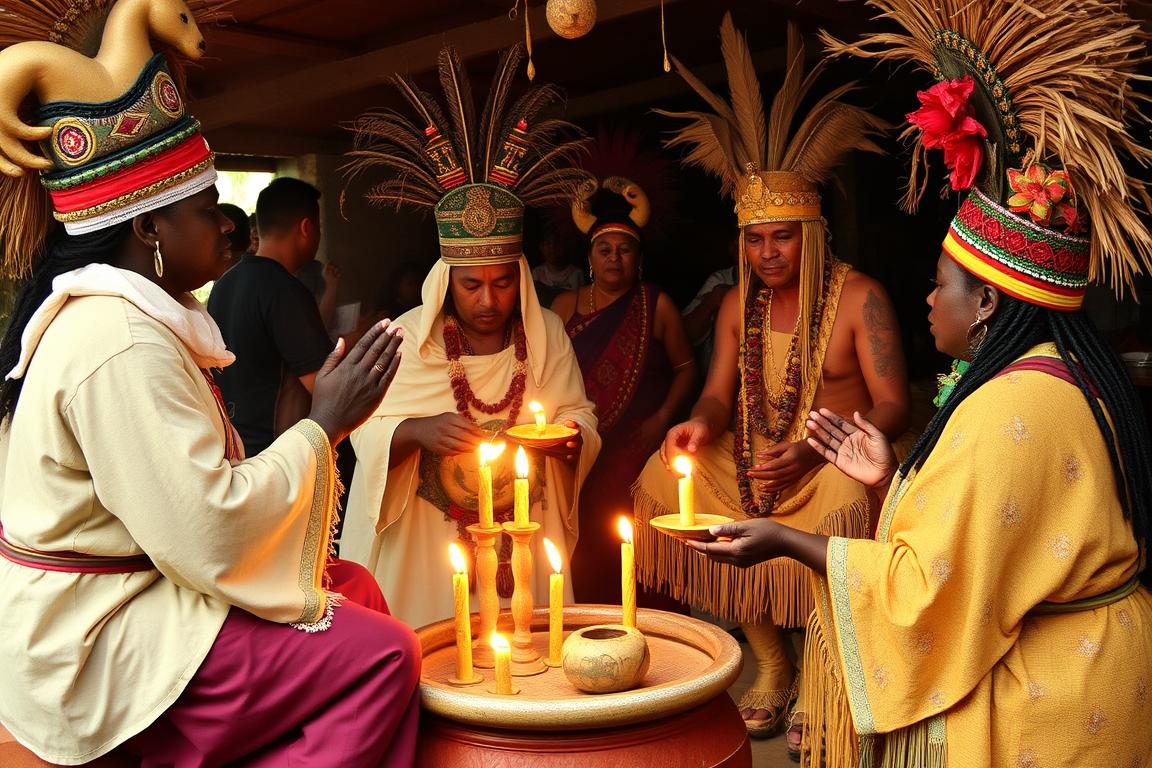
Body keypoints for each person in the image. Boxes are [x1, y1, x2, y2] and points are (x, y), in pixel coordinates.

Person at [693, 2, 1152, 766]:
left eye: (942, 284)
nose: (929, 300)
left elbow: (925, 591)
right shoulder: (1044, 377)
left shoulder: (1011, 408)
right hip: (1093, 668)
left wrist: (790, 543)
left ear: (989, 303)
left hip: (1055, 699)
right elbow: (983, 538)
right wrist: (887, 481)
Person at [0, 5, 419, 765]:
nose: (226, 224)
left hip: (127, 595)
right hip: (96, 638)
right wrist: (323, 426)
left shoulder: (132, 317)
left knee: (351, 587)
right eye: (203, 210)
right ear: (148, 231)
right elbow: (206, 531)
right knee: (385, 657)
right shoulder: (117, 338)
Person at [636, 16, 909, 744]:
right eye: (754, 240)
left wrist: (822, 450)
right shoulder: (737, 304)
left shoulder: (861, 297)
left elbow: (893, 404)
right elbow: (717, 395)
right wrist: (698, 424)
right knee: (668, 476)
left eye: (781, 237)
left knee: (847, 499)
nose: (767, 254)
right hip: (758, 459)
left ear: (811, 233)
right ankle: (771, 659)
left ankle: (822, 667)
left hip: (837, 461)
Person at [340, 42, 600, 628]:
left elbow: (579, 414)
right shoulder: (406, 339)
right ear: (446, 281)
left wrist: (570, 440)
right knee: (434, 645)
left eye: (502, 283)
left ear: (521, 278)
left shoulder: (547, 333)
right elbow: (359, 432)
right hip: (427, 541)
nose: (488, 300)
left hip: (526, 528)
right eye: (472, 285)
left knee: (528, 645)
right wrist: (416, 430)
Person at [551, 177, 695, 604]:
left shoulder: (656, 304)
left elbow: (687, 369)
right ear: (590, 258)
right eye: (605, 250)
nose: (615, 258)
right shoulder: (563, 306)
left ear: (639, 258)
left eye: (625, 250)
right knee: (585, 542)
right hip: (579, 449)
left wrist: (660, 420)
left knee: (640, 542)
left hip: (637, 449)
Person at [207, 177, 333, 456]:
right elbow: (325, 388)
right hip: (274, 455)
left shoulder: (224, 284)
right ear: (306, 228)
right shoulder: (285, 290)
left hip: (231, 447)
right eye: (319, 227)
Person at [531, 233, 582, 305]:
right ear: (541, 247)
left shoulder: (577, 274)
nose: (552, 248)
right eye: (548, 243)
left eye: (557, 243)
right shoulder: (536, 273)